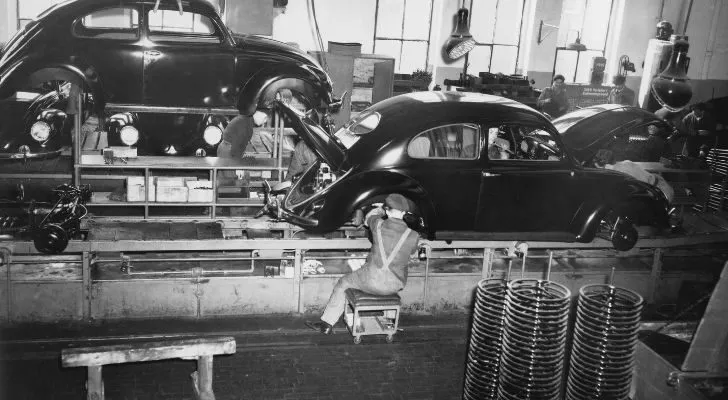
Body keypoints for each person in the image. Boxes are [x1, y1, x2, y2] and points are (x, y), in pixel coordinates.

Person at [305, 193, 421, 335]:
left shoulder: (379, 225)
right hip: (395, 284)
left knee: (344, 282)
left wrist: (379, 210)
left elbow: (367, 219)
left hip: (371, 280)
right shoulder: (414, 235)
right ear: (404, 213)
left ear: (387, 210)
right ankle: (388, 324)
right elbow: (412, 251)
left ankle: (327, 324)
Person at [594, 149, 674, 204]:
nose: (601, 171)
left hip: (660, 196)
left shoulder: (618, 174)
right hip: (664, 186)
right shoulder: (626, 162)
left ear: (607, 165)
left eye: (600, 169)